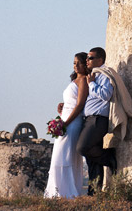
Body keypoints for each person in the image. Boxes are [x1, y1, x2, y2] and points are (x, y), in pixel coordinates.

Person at [44, 52, 88, 198]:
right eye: (74, 63)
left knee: (65, 156)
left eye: (78, 63)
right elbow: (72, 100)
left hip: (72, 122)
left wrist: (66, 123)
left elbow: (80, 104)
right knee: (58, 156)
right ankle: (56, 192)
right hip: (65, 119)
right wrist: (62, 106)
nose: (75, 66)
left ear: (85, 64)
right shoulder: (74, 80)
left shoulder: (83, 81)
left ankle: (67, 192)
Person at [76, 47, 117, 194]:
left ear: (100, 60)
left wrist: (92, 84)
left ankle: (109, 157)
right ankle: (94, 192)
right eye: (87, 58)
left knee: (82, 148)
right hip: (89, 119)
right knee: (91, 159)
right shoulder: (93, 75)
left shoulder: (104, 74)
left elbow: (106, 94)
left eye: (90, 58)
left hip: (98, 120)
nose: (87, 60)